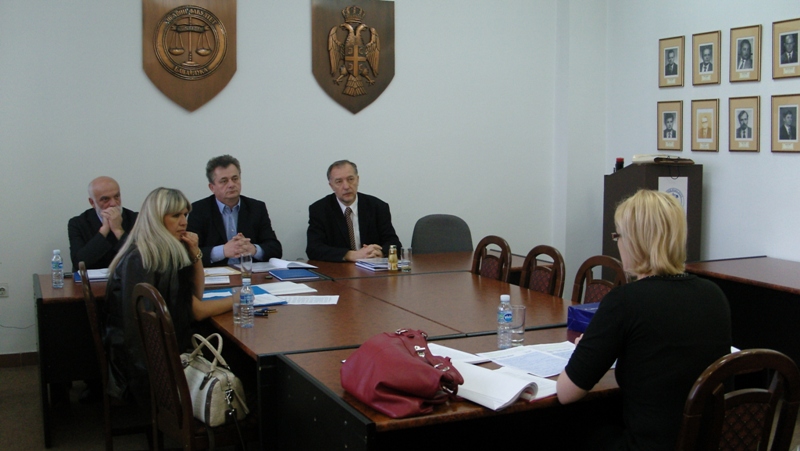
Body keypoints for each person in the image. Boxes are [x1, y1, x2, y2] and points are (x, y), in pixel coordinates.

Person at [557, 189, 731, 450]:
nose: (617, 243)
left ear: (634, 242)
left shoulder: (625, 301)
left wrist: (586, 351)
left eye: (618, 236)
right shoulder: (714, 294)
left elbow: (566, 393)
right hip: (704, 441)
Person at [104, 187, 233, 404]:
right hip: (152, 369)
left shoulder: (142, 250)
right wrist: (240, 299)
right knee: (234, 354)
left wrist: (195, 253)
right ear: (156, 219)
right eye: (175, 216)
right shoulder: (159, 258)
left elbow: (195, 295)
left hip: (132, 361)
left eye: (185, 215)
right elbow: (197, 310)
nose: (183, 222)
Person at [188, 155, 282, 267]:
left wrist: (254, 249)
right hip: (216, 274)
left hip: (250, 273)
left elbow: (275, 249)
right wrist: (223, 251)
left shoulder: (256, 208)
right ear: (212, 187)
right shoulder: (198, 210)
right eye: (224, 181)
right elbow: (189, 253)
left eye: (235, 178)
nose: (231, 185)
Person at [306, 159, 401, 262]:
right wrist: (350, 255)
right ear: (331, 186)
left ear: (357, 180)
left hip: (371, 268)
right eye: (339, 181)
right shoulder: (319, 210)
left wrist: (380, 253)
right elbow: (313, 249)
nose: (346, 186)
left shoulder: (377, 207)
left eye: (350, 179)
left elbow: (394, 243)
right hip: (339, 269)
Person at [68, 176, 138, 271]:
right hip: (92, 279)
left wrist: (118, 230)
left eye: (116, 196)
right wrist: (103, 231)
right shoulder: (78, 223)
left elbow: (141, 259)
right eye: (105, 199)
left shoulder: (137, 219)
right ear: (92, 202)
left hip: (127, 277)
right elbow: (79, 263)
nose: (113, 203)